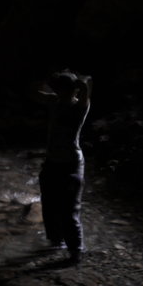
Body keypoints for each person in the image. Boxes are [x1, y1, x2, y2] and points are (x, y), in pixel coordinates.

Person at [39, 70, 91, 262]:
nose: (62, 92)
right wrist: (49, 79)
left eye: (65, 89)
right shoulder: (54, 101)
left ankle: (75, 250)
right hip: (52, 162)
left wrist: (79, 83)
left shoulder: (79, 107)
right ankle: (56, 241)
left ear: (73, 90)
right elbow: (32, 92)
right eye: (59, 89)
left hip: (71, 164)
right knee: (49, 204)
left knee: (69, 209)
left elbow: (85, 89)